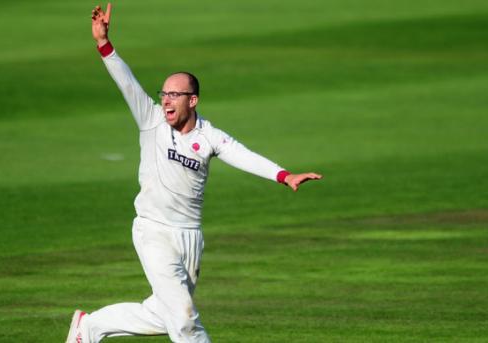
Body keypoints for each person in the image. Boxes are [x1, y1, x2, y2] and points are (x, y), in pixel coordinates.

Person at [66, 3, 323, 343]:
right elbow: (126, 82)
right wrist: (104, 44)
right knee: (186, 320)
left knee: (164, 314)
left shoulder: (209, 136)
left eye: (175, 94)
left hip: (189, 237)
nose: (167, 100)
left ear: (194, 100)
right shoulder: (152, 120)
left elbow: (242, 155)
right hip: (153, 231)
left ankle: (89, 326)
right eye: (164, 93)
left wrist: (283, 175)